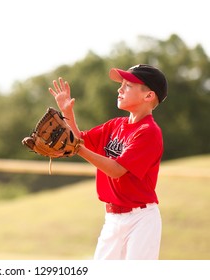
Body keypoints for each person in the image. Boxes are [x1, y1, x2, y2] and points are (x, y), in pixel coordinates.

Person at [48, 64, 168, 260]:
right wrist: (67, 112)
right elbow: (77, 139)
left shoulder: (148, 132)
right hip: (112, 219)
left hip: (140, 220)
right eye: (121, 84)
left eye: (128, 85)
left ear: (148, 96)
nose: (120, 89)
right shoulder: (115, 125)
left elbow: (117, 169)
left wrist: (78, 148)